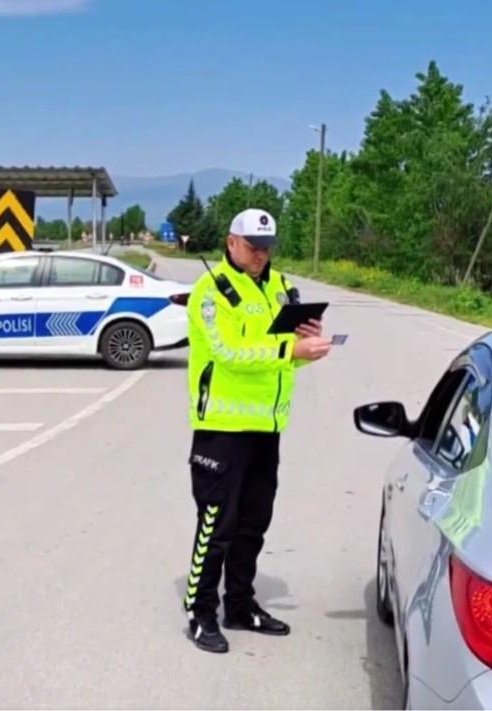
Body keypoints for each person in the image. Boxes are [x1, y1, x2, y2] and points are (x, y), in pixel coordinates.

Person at [182, 208, 332, 654]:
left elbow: (283, 358)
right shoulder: (212, 292)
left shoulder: (281, 287)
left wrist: (307, 345)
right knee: (216, 525)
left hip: (267, 427)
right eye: (252, 246)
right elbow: (229, 351)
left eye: (266, 247)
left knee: (253, 523)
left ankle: (240, 605)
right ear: (231, 243)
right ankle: (200, 611)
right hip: (222, 427)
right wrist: (290, 350)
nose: (261, 255)